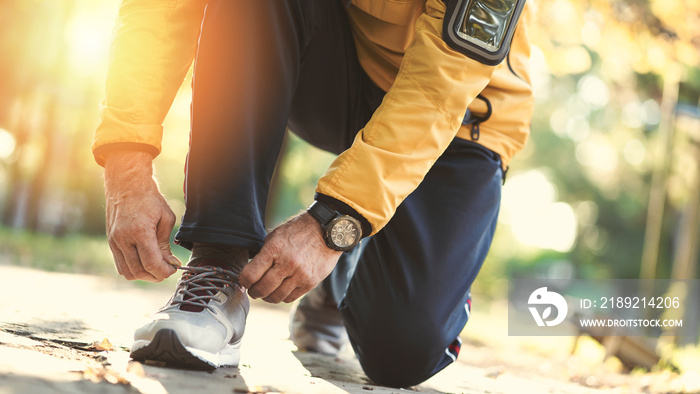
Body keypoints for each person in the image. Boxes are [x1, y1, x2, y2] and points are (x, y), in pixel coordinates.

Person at [93, 0, 534, 388]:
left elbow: (439, 87)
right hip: (337, 70)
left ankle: (341, 277)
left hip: (464, 120)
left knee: (403, 351)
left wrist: (334, 225)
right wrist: (127, 161)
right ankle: (215, 272)